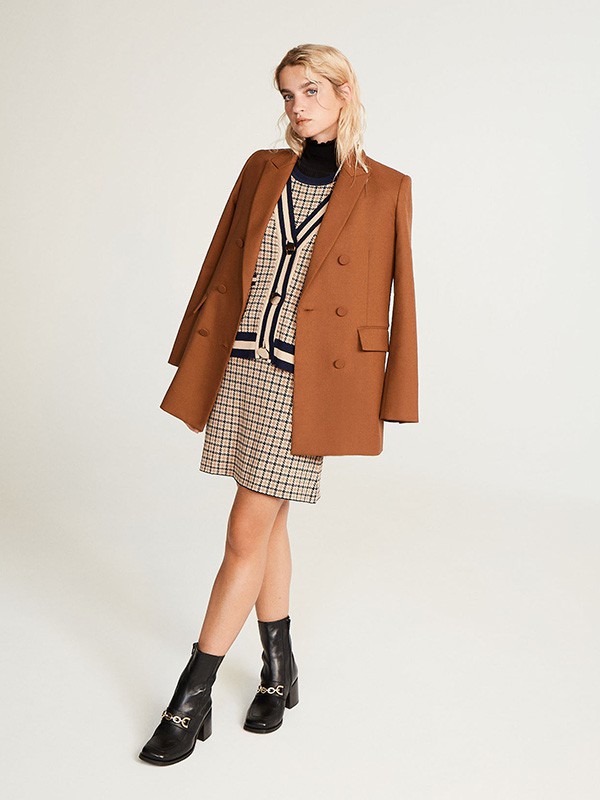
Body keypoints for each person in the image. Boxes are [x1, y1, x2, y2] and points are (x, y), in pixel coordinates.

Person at [139, 43, 418, 766]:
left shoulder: (386, 188)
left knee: (243, 533)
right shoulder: (263, 169)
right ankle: (278, 669)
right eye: (289, 94)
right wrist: (192, 345)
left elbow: (400, 301)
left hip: (311, 386)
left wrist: (395, 391)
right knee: (269, 526)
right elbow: (220, 260)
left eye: (312, 90)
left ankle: (190, 696)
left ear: (345, 93)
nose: (298, 106)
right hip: (243, 369)